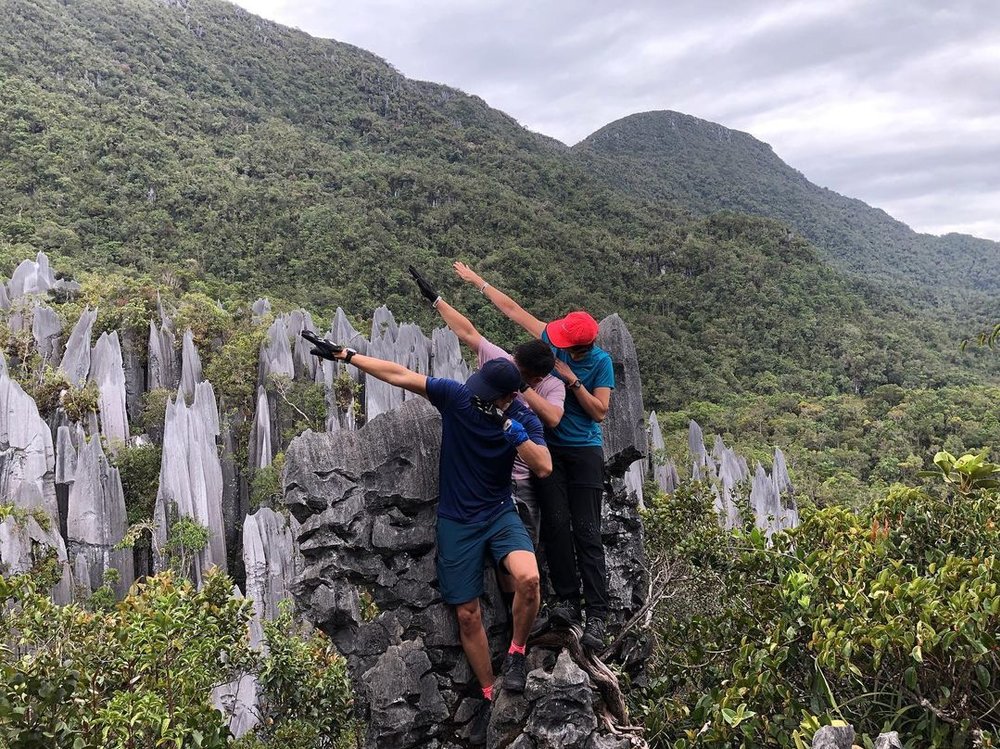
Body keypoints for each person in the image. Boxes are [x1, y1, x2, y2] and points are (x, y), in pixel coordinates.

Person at [303, 331, 550, 741]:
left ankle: (517, 653)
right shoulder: (458, 398)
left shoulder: (523, 418)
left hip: (499, 512)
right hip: (457, 520)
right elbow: (401, 375)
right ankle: (490, 692)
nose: (479, 397)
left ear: (508, 396)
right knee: (467, 613)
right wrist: (347, 356)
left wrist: (513, 432)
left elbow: (543, 467)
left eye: (490, 395)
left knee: (529, 578)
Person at [451, 262, 615, 651]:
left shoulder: (599, 363)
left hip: (584, 452)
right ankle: (569, 603)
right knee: (557, 526)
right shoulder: (551, 344)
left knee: (587, 529)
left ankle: (598, 613)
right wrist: (478, 281)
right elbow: (512, 309)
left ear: (581, 346)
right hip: (550, 452)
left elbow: (599, 412)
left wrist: (571, 379)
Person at [408, 265, 565, 547]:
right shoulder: (502, 361)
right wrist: (436, 300)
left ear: (536, 377)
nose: (508, 366)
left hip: (523, 479)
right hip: (483, 475)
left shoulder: (552, 386)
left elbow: (553, 418)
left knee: (526, 548)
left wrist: (521, 388)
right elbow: (468, 332)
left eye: (516, 368)